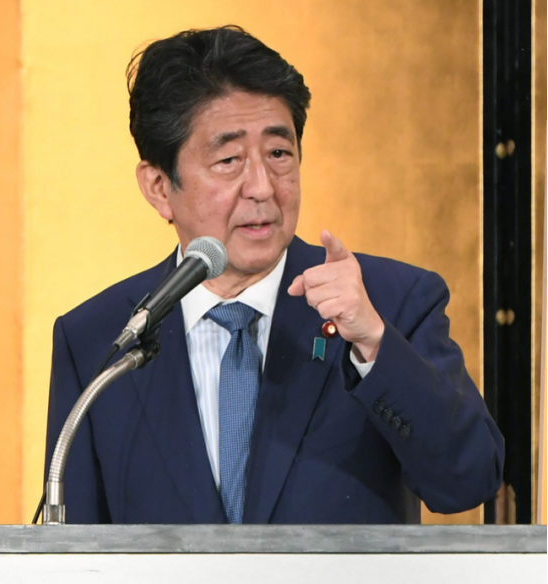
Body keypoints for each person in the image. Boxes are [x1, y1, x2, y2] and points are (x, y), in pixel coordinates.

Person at [44, 25, 504, 524]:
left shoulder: (389, 303)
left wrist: (373, 344)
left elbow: (469, 480)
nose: (262, 187)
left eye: (279, 154)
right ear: (159, 186)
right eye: (229, 160)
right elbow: (75, 546)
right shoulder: (99, 341)